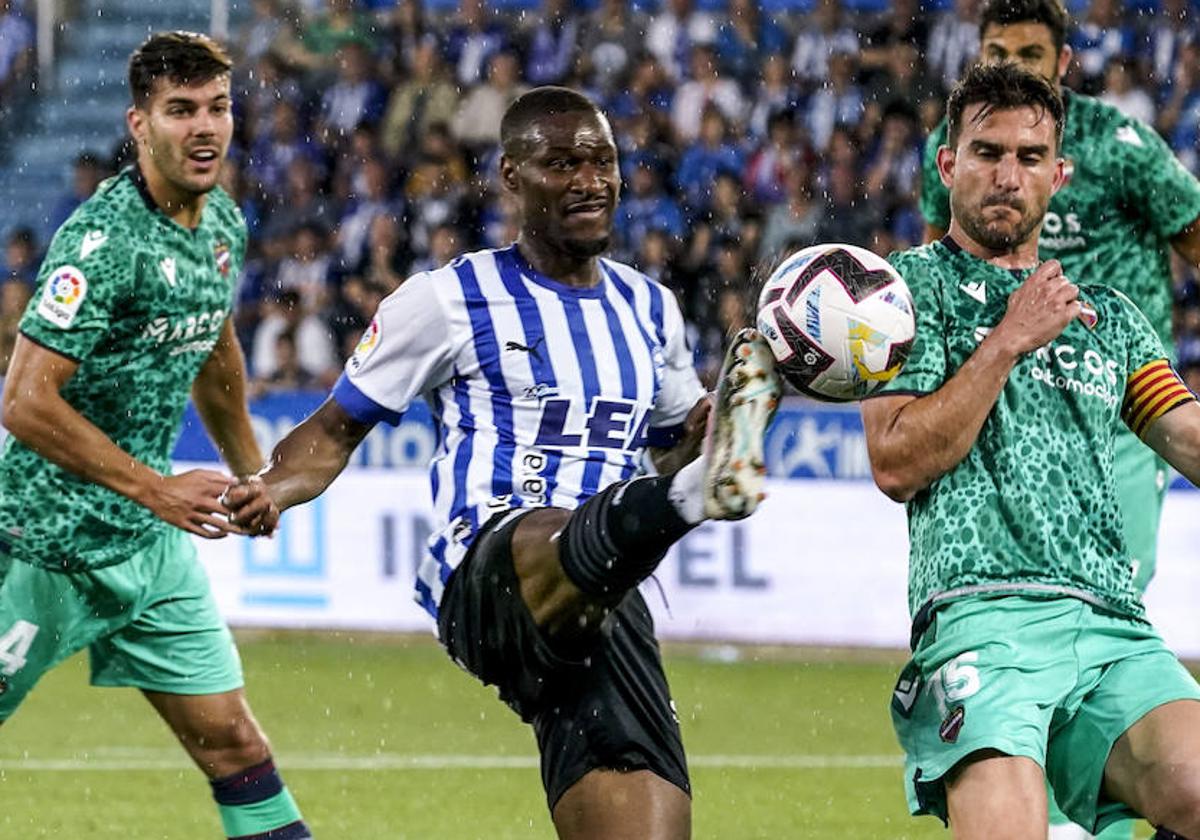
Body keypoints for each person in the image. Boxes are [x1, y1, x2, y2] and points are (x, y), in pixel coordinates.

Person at [224, 86, 782, 839]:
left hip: (604, 604)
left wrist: (712, 432)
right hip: (490, 572)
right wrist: (271, 488)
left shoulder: (651, 309)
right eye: (562, 163)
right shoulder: (449, 300)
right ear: (512, 177)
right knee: (565, 525)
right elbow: (333, 430)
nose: (590, 180)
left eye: (602, 161)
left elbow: (678, 435)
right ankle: (685, 502)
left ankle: (683, 498)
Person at [864, 62, 1200, 840]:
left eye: (1027, 157)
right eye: (986, 153)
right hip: (980, 620)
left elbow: (1183, 434)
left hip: (1111, 626)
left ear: (1060, 174)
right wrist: (1009, 339)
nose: (1006, 175)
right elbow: (897, 461)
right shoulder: (903, 294)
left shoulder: (1104, 315)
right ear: (948, 165)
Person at [0, 33, 311, 840]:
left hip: (148, 553)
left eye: (217, 108)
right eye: (180, 111)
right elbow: (25, 400)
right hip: (41, 545)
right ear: (140, 124)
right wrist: (156, 485)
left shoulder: (223, 228)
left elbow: (216, 353)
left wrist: (257, 474)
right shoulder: (101, 244)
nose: (204, 128)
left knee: (238, 747)